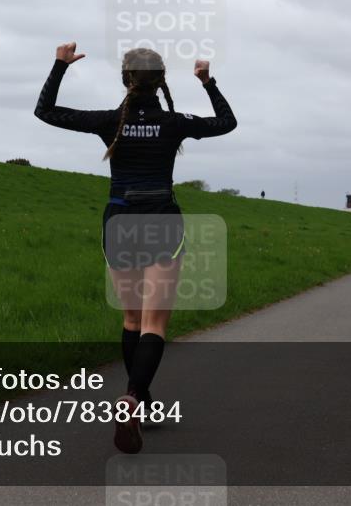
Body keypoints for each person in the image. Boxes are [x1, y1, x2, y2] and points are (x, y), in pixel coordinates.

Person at [35, 43, 236, 454]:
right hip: (162, 216)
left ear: (126, 80)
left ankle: (141, 401)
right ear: (161, 81)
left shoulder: (110, 120)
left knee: (130, 319)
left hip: (120, 218)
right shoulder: (174, 122)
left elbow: (46, 111)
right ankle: (133, 399)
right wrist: (207, 81)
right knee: (154, 325)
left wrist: (59, 65)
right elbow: (227, 122)